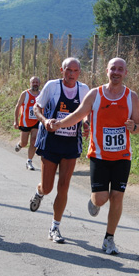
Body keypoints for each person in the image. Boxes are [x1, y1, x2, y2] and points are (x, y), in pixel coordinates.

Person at [49, 57, 139, 255]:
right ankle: (94, 201)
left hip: (123, 155)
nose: (116, 72)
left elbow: (138, 126)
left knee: (117, 197)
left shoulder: (131, 96)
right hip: (99, 155)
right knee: (101, 199)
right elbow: (78, 115)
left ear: (125, 73)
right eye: (113, 68)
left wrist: (134, 127)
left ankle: (109, 239)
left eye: (120, 69)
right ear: (107, 71)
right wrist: (59, 123)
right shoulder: (95, 94)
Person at [29, 58, 90, 244]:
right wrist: (45, 121)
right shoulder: (52, 86)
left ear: (79, 72)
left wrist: (86, 124)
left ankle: (55, 227)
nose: (71, 74)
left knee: (63, 186)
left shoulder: (84, 89)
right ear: (62, 70)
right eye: (68, 70)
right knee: (47, 187)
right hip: (51, 141)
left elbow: (85, 113)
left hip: (71, 143)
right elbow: (36, 107)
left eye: (75, 71)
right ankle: (39, 192)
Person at [14, 75, 41, 170]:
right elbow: (17, 107)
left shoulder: (41, 94)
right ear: (30, 84)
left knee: (34, 141)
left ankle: (29, 161)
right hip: (25, 122)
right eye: (33, 82)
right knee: (24, 143)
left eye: (37, 82)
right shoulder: (25, 94)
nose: (35, 84)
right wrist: (15, 121)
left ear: (39, 84)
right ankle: (20, 144)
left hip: (36, 122)